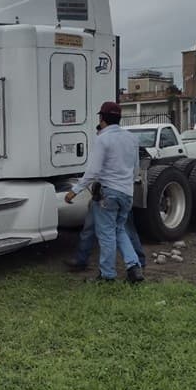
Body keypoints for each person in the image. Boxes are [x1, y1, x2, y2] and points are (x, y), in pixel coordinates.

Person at [65, 102, 144, 283]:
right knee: (120, 230)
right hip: (127, 193)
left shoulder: (103, 139)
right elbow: (135, 168)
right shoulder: (131, 139)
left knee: (107, 234)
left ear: (102, 119)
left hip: (108, 193)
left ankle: (107, 275)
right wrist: (127, 186)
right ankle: (134, 267)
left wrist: (74, 191)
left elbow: (93, 171)